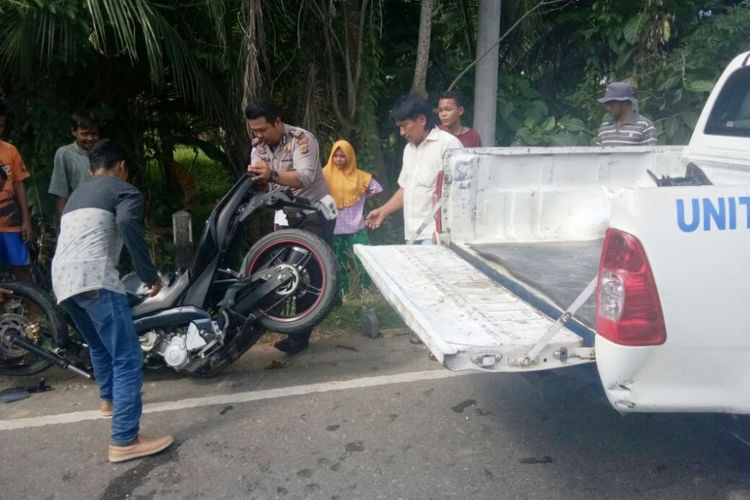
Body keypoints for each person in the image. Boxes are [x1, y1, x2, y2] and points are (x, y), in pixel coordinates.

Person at [52, 140, 171, 463]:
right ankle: (124, 439)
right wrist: (149, 274)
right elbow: (127, 224)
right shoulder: (124, 189)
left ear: (92, 170)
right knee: (128, 357)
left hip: (62, 280)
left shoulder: (78, 194)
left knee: (101, 346)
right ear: (121, 166)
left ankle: (109, 401)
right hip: (94, 279)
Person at [245, 99, 333, 355]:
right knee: (280, 269)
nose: (258, 136)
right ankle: (285, 319)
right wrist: (259, 183)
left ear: (278, 122)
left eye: (262, 130)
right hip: (286, 214)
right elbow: (260, 181)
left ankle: (299, 336)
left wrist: (270, 174)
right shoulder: (257, 146)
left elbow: (304, 177)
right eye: (254, 131)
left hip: (316, 211)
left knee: (307, 273)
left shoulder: (302, 139)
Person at [366, 94, 461, 243]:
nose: (402, 132)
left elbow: (460, 194)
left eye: (405, 126)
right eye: (400, 127)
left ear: (422, 120)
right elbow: (406, 188)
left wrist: (442, 232)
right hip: (412, 235)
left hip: (436, 237)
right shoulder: (408, 150)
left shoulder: (448, 145)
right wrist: (383, 211)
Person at [322, 140, 382, 297]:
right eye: (336, 156)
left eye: (343, 156)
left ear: (350, 157)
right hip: (333, 226)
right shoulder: (323, 175)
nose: (339, 159)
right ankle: (340, 293)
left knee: (364, 257)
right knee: (336, 261)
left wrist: (361, 196)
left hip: (356, 225)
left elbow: (376, 188)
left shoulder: (360, 176)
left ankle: (367, 290)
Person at [0, 101, 34, 284]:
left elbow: (20, 185)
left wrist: (26, 220)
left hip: (11, 223)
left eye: (2, 126)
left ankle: (36, 312)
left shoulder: (10, 150)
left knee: (22, 268)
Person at [49, 111, 100, 216]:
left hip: (101, 213)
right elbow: (60, 193)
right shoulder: (64, 154)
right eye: (84, 134)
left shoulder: (105, 152)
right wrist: (64, 222)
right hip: (76, 215)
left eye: (94, 134)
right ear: (74, 132)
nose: (90, 138)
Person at [596, 82, 657, 146]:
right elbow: (598, 155)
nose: (607, 107)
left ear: (625, 103)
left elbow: (649, 155)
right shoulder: (604, 126)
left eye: (611, 103)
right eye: (606, 104)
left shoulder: (644, 125)